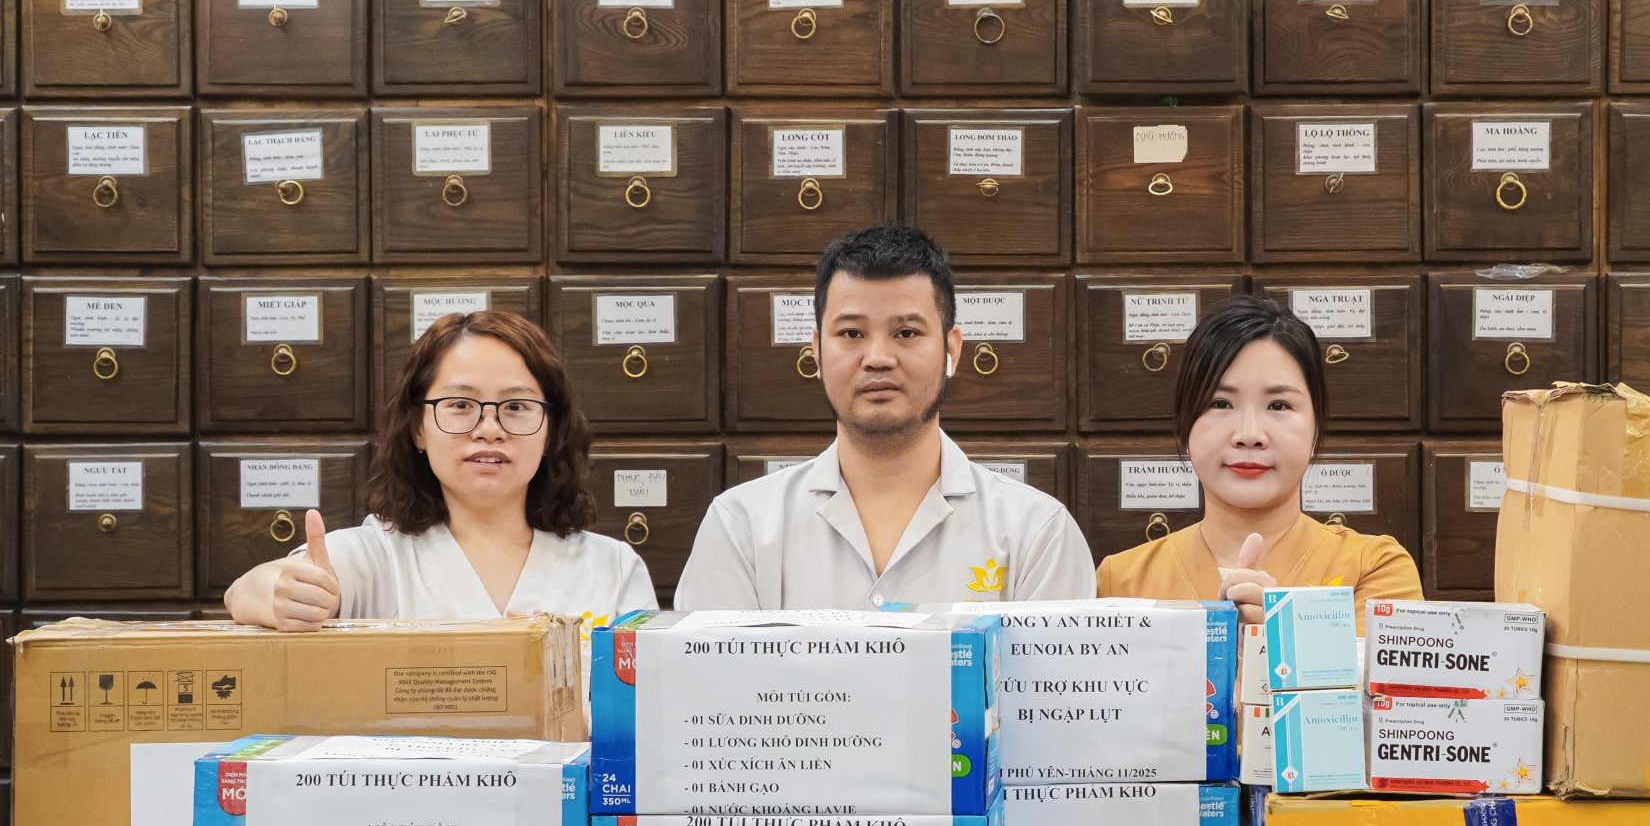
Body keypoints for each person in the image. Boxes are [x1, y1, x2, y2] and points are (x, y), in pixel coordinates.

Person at [673, 223, 1096, 611]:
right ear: (817, 351)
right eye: (851, 333)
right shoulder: (741, 528)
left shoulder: (1037, 533)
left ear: (951, 349)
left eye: (906, 333)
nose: (878, 358)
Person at [224, 311, 654, 627]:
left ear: (551, 430)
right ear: (418, 428)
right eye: (461, 404)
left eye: (517, 406)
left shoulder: (613, 568)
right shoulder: (376, 556)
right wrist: (287, 595)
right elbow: (245, 591)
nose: (489, 429)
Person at [1095, 293, 1421, 625]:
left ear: (1316, 428)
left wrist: (1280, 636)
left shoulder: (1375, 567)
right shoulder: (1118, 581)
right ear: (1185, 425)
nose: (1249, 434)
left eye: (1279, 405)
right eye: (1220, 404)